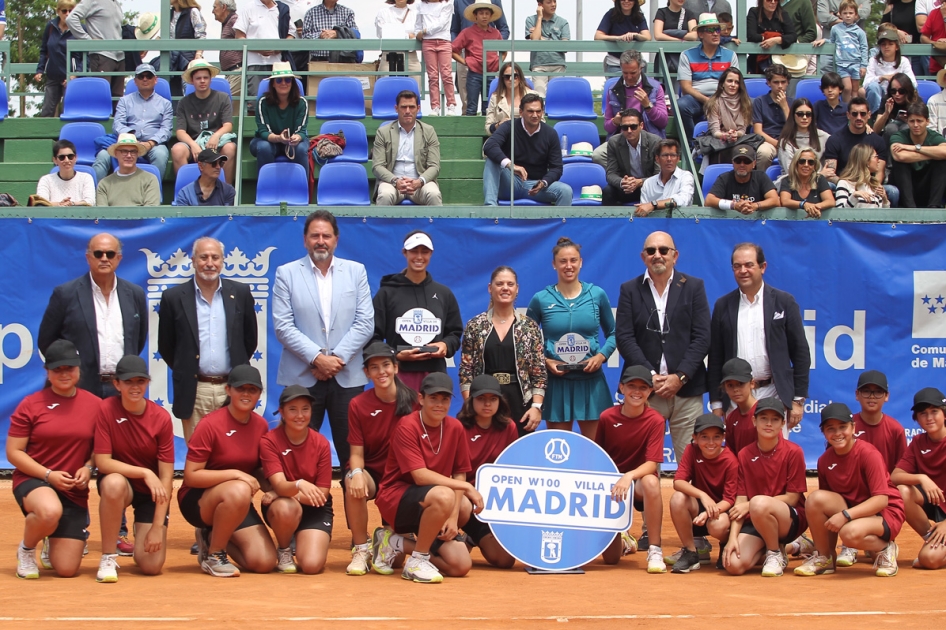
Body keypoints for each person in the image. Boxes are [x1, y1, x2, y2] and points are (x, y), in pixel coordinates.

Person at [273, 210, 375, 471]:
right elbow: (283, 327)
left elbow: (365, 324)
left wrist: (335, 361)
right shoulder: (286, 273)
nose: (321, 241)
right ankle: (304, 511)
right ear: (305, 240)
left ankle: (354, 511)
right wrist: (318, 358)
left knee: (353, 461)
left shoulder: (356, 271)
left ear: (336, 240)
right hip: (302, 377)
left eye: (326, 236)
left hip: (347, 377)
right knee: (297, 460)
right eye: (315, 235)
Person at [372, 373, 484, 583]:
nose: (439, 404)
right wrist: (465, 487)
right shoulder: (407, 425)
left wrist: (452, 517)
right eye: (433, 398)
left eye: (445, 399)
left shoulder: (455, 427)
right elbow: (420, 476)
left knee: (461, 565)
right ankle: (418, 560)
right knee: (445, 494)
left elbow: (460, 470)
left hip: (433, 503)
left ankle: (393, 543)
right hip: (396, 498)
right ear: (421, 399)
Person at [614, 230, 711, 464]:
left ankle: (690, 503)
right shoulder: (629, 289)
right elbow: (625, 338)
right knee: (644, 466)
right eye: (651, 251)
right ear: (643, 256)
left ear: (675, 255)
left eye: (663, 250)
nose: (657, 255)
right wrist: (650, 376)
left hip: (687, 391)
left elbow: (702, 337)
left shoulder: (694, 287)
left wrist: (680, 376)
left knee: (692, 465)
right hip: (646, 391)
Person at [8, 339, 98, 580]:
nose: (64, 373)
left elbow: (100, 449)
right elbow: (14, 452)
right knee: (49, 511)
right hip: (35, 480)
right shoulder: (30, 405)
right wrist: (48, 475)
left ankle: (51, 535)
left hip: (72, 489)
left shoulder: (96, 405)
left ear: (79, 368)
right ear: (47, 372)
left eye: (69, 368)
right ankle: (27, 549)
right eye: (57, 369)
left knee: (67, 570)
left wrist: (89, 467)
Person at [178, 365, 276, 577]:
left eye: (253, 389)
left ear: (259, 393)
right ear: (228, 390)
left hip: (235, 502)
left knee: (265, 562)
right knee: (239, 489)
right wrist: (237, 474)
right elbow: (191, 476)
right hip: (198, 499)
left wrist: (274, 489)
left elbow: (259, 468)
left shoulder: (260, 425)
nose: (247, 394)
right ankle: (214, 554)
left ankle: (211, 536)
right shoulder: (210, 424)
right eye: (241, 388)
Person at [157, 236, 257, 441]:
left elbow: (249, 340)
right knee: (197, 455)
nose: (209, 263)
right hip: (195, 390)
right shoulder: (173, 297)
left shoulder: (240, 293)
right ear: (193, 260)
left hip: (232, 388)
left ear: (222, 261)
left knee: (231, 451)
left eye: (215, 257)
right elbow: (167, 345)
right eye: (203, 257)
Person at [794, 403, 904, 577]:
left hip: (884, 512)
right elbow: (827, 506)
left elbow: (881, 499)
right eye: (831, 428)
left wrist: (845, 516)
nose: (837, 433)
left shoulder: (869, 453)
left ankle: (886, 547)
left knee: (849, 534)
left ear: (853, 428)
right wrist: (845, 515)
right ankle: (825, 558)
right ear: (823, 432)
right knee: (816, 499)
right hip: (853, 511)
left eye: (843, 427)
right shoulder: (824, 461)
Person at [707, 242, 811, 427]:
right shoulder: (723, 305)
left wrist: (798, 400)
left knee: (774, 454)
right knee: (738, 454)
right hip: (735, 397)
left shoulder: (784, 302)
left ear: (763, 267)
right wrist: (716, 403)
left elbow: (801, 353)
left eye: (749, 265)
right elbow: (716, 358)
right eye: (737, 266)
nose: (743, 271)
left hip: (774, 393)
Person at [93, 355, 174, 582]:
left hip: (152, 493)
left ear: (147, 383)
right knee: (113, 483)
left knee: (151, 566)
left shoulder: (161, 418)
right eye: (128, 382)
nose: (135, 387)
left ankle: (143, 530)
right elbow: (103, 461)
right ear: (117, 384)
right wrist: (144, 472)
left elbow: (167, 477)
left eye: (140, 381)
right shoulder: (106, 409)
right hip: (124, 484)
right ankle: (108, 556)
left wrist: (157, 526)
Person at [38, 233, 148, 400]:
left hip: (121, 388)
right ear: (88, 257)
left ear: (119, 258)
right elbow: (47, 342)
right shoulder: (65, 294)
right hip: (80, 387)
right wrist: (69, 370)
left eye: (110, 254)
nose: (104, 259)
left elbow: (137, 340)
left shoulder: (135, 294)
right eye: (98, 254)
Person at [526, 237, 616, 440]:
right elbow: (527, 340)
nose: (569, 266)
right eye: (563, 261)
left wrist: (601, 356)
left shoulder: (597, 295)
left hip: (591, 383)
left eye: (573, 260)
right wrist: (546, 361)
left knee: (595, 450)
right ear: (554, 264)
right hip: (557, 384)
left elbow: (614, 333)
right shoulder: (541, 299)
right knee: (561, 450)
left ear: (581, 262)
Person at [344, 342, 417, 576]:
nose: (381, 371)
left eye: (386, 365)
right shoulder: (358, 404)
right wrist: (356, 474)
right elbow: (356, 454)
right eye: (374, 367)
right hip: (373, 476)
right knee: (352, 481)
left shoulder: (415, 402)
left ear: (396, 368)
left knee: (395, 563)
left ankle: (385, 537)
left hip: (402, 479)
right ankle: (361, 549)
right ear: (366, 373)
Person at [821, 370, 907, 566]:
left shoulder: (895, 429)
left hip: (880, 498)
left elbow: (898, 470)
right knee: (823, 502)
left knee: (862, 542)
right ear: (856, 394)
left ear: (887, 396)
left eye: (878, 392)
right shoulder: (842, 427)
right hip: (853, 499)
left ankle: (880, 540)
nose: (871, 396)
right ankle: (833, 552)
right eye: (866, 391)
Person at [723, 397, 808, 577]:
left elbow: (793, 498)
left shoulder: (794, 452)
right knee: (734, 565)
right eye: (763, 418)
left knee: (759, 504)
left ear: (783, 423)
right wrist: (732, 539)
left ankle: (774, 553)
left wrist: (751, 505)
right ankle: (790, 548)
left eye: (775, 419)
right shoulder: (745, 454)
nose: (769, 423)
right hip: (757, 517)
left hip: (790, 519)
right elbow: (740, 502)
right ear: (754, 421)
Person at [459, 266, 547, 437]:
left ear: (517, 289)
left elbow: (539, 372)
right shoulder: (475, 326)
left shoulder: (529, 327)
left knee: (519, 457)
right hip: (484, 400)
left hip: (520, 401)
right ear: (490, 288)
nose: (505, 288)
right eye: (499, 284)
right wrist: (471, 404)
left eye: (510, 284)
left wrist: (536, 407)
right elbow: (466, 371)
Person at [595, 366, 667, 572]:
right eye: (632, 386)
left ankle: (655, 549)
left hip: (637, 483)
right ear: (621, 387)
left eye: (643, 387)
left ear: (650, 391)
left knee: (652, 482)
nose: (637, 392)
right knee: (611, 560)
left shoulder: (656, 420)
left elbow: (652, 464)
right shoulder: (607, 417)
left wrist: (629, 476)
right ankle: (625, 541)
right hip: (612, 486)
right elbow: (599, 456)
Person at [371, 230, 462, 392]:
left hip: (435, 375)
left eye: (424, 252)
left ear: (431, 254)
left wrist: (445, 344)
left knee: (432, 418)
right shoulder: (386, 293)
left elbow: (454, 333)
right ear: (404, 253)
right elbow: (372, 336)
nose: (419, 257)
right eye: (414, 251)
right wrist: (394, 355)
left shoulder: (444, 294)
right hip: (398, 375)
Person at [259, 385, 334, 574]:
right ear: (282, 412)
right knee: (286, 507)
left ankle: (301, 540)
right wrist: (299, 484)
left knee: (311, 566)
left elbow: (321, 495)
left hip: (315, 508)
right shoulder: (269, 441)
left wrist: (283, 492)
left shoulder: (322, 443)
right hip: (283, 507)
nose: (299, 415)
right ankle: (284, 549)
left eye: (305, 409)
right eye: (293, 409)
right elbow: (279, 484)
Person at [457, 375, 518, 568]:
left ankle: (471, 537)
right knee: (462, 506)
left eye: (493, 399)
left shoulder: (509, 427)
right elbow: (452, 474)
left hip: (494, 502)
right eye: (481, 399)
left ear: (500, 402)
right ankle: (447, 537)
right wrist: (468, 492)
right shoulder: (458, 428)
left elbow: (511, 470)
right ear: (471, 400)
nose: (487, 404)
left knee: (505, 560)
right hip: (463, 499)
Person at [667, 413, 738, 572]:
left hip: (721, 514)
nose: (711, 442)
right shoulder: (691, 450)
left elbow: (730, 499)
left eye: (716, 437)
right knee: (678, 498)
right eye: (704, 437)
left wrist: (710, 512)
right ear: (695, 437)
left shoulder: (730, 460)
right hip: (697, 513)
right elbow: (678, 481)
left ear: (723, 437)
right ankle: (691, 552)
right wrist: (702, 495)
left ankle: (724, 544)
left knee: (717, 525)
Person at [482, 93, 571, 206]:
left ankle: (558, 223)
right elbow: (489, 146)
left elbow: (557, 168)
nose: (535, 115)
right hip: (510, 183)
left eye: (538, 111)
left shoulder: (550, 133)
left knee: (566, 191)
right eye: (530, 111)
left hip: (535, 186)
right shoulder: (509, 126)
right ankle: (490, 210)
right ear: (521, 112)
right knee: (492, 159)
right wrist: (511, 165)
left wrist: (543, 182)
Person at [892, 387, 946, 570]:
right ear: (917, 418)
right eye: (923, 413)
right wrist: (922, 478)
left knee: (929, 560)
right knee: (902, 491)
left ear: (944, 414)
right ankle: (932, 539)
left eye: (934, 411)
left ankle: (936, 548)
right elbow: (895, 476)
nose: (929, 417)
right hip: (937, 503)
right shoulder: (918, 442)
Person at [92, 63, 174, 183]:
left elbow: (166, 129)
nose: (145, 79)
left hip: (153, 145)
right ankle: (94, 197)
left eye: (149, 76)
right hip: (126, 142)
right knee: (103, 156)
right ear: (135, 81)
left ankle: (153, 196)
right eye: (141, 77)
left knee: (161, 154)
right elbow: (118, 124)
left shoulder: (165, 104)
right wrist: (131, 139)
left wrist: (150, 143)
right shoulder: (124, 101)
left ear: (155, 80)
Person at [597, 50, 669, 168]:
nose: (629, 77)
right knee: (598, 155)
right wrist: (615, 121)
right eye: (625, 73)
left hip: (648, 138)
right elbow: (607, 126)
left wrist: (648, 105)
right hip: (623, 138)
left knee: (662, 158)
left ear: (641, 68)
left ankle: (641, 180)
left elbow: (663, 122)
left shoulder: (655, 87)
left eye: (633, 73)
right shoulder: (613, 89)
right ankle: (623, 176)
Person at [372, 90, 443, 206]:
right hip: (392, 182)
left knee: (434, 194)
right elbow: (377, 166)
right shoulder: (383, 132)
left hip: (420, 183)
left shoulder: (429, 131)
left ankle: (438, 225)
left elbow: (434, 166)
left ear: (418, 108)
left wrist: (419, 182)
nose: (408, 111)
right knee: (385, 195)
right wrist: (396, 181)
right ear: (396, 108)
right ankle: (382, 225)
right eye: (404, 107)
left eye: (412, 107)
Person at [677, 14, 740, 143]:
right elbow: (685, 87)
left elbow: (736, 82)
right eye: (710, 30)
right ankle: (692, 146)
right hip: (698, 100)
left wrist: (717, 101)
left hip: (724, 98)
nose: (716, 34)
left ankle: (739, 143)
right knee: (682, 105)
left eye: (717, 30)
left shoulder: (730, 55)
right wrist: (707, 100)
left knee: (749, 103)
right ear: (700, 34)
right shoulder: (687, 55)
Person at [173, 60, 237, 184]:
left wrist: (216, 136)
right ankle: (186, 194)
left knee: (230, 148)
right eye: (198, 78)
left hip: (216, 143)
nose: (202, 81)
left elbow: (228, 125)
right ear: (192, 81)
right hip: (193, 143)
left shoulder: (222, 98)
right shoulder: (183, 103)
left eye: (205, 78)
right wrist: (193, 145)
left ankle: (225, 193)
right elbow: (180, 132)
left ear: (210, 79)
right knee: (177, 150)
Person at [821, 97, 894, 204]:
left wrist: (869, 187)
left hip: (870, 184)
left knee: (893, 192)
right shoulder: (835, 139)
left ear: (869, 115)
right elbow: (830, 173)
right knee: (828, 186)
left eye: (863, 114)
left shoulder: (877, 141)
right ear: (848, 115)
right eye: (854, 114)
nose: (859, 117)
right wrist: (848, 185)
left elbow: (879, 172)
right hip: (843, 184)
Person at [699, 67, 774, 167]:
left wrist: (735, 134)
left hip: (739, 138)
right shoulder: (714, 103)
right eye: (730, 81)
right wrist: (726, 136)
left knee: (745, 152)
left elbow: (742, 130)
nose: (733, 85)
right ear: (722, 84)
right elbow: (715, 131)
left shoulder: (746, 103)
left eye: (737, 82)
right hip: (720, 139)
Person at [251, 63, 309, 177]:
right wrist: (278, 138)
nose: (283, 83)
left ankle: (302, 190)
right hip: (268, 140)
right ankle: (265, 189)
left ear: (292, 83)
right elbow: (263, 131)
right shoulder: (263, 102)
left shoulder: (302, 103)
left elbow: (301, 131)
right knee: (264, 147)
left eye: (287, 80)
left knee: (301, 149)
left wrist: (296, 138)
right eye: (278, 80)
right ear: (272, 84)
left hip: (293, 143)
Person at [451, 0, 509, 115]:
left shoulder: (496, 33)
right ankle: (469, 131)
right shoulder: (467, 32)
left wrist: (498, 62)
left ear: (491, 16)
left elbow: (504, 50)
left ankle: (487, 132)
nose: (484, 16)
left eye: (487, 13)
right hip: (474, 72)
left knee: (488, 107)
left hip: (491, 73)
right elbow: (453, 49)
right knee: (471, 105)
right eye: (481, 13)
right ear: (475, 15)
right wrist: (465, 62)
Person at [235, 0, 294, 104]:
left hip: (278, 64)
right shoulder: (248, 7)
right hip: (254, 64)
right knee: (255, 102)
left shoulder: (282, 8)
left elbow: (291, 34)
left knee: (279, 102)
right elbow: (239, 37)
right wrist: (258, 49)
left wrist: (280, 48)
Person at [889, 102, 946, 208]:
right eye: (912, 121)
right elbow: (900, 156)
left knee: (942, 162)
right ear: (907, 121)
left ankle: (934, 207)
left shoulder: (934, 137)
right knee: (900, 164)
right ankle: (910, 209)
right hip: (905, 186)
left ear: (927, 121)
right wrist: (933, 154)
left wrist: (915, 148)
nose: (915, 125)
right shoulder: (899, 136)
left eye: (919, 121)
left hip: (928, 186)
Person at [66, 0, 125, 101]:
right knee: (101, 98)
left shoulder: (116, 3)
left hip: (120, 57)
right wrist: (87, 40)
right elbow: (71, 19)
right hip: (102, 55)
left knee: (118, 100)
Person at [603, 108, 661, 205]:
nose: (629, 131)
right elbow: (610, 174)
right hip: (627, 188)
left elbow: (659, 174)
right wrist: (622, 182)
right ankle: (611, 220)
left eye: (633, 126)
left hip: (649, 186)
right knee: (608, 191)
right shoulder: (614, 142)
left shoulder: (655, 142)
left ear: (641, 125)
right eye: (625, 127)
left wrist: (640, 182)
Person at [812, 0, 867, 103]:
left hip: (856, 63)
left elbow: (864, 48)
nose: (848, 16)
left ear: (856, 15)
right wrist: (824, 40)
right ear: (840, 14)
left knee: (855, 90)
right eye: (845, 13)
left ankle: (853, 110)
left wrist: (863, 65)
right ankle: (846, 108)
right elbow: (833, 42)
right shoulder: (836, 29)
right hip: (842, 64)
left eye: (851, 13)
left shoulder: (860, 32)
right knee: (847, 88)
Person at [704, 146, 780, 214]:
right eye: (738, 161)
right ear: (733, 163)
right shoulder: (724, 178)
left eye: (747, 161)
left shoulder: (761, 176)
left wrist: (755, 206)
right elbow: (709, 200)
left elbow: (775, 200)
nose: (742, 165)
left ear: (754, 164)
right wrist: (733, 205)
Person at [35, 0, 78, 118]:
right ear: (58, 12)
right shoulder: (50, 27)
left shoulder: (78, 29)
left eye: (71, 10)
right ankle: (43, 137)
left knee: (68, 112)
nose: (67, 14)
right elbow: (44, 50)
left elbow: (84, 57)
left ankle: (66, 136)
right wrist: (40, 70)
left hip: (70, 78)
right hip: (53, 75)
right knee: (46, 112)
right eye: (64, 11)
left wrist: (74, 75)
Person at [416, 0, 458, 117]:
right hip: (427, 42)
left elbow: (442, 23)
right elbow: (417, 25)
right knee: (432, 76)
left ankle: (451, 105)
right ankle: (435, 107)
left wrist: (424, 31)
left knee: (446, 74)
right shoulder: (421, 5)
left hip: (444, 41)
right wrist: (418, 33)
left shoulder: (447, 4)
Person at [95, 134, 162, 207]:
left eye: (133, 151)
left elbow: (150, 212)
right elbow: (103, 215)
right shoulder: (104, 184)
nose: (129, 155)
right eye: (124, 151)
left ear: (137, 154)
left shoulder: (150, 179)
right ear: (116, 153)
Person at [863, 25, 915, 114]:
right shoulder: (874, 60)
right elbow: (866, 83)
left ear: (897, 47)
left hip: (897, 94)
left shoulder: (904, 61)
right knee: (873, 87)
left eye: (890, 44)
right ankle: (877, 115)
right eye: (883, 44)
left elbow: (913, 83)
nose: (886, 47)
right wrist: (882, 77)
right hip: (880, 95)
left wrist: (899, 80)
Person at [637, 139, 696, 215]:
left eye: (673, 155)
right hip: (654, 225)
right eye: (665, 155)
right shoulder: (648, 183)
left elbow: (683, 200)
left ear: (678, 158)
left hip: (680, 224)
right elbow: (644, 210)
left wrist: (654, 204)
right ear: (657, 159)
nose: (669, 159)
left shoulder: (686, 177)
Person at [751, 64, 791, 172]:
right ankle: (761, 184)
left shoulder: (793, 102)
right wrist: (778, 144)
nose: (780, 86)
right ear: (769, 83)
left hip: (789, 142)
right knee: (764, 153)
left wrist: (784, 106)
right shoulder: (760, 101)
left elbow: (794, 129)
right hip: (768, 142)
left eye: (783, 82)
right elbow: (758, 131)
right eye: (776, 82)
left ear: (787, 83)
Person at [525, 0, 570, 96]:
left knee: (556, 98)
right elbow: (535, 41)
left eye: (554, 1)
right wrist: (539, 18)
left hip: (557, 64)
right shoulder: (530, 20)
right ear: (540, 5)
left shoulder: (563, 22)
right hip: (539, 64)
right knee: (539, 97)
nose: (553, 4)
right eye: (549, 2)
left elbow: (565, 47)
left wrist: (542, 38)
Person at [377, 0, 421, 94]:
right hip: (389, 56)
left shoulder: (416, 14)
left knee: (415, 89)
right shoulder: (384, 13)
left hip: (411, 56)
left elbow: (419, 35)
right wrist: (407, 36)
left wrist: (396, 32)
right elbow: (383, 33)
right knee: (385, 89)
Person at [594, 0, 651, 72]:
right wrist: (618, 38)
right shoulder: (611, 14)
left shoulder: (639, 16)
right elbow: (598, 36)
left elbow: (648, 37)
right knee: (617, 82)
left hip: (635, 63)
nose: (626, 1)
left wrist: (635, 35)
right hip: (615, 62)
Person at [778, 149, 835, 217]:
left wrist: (814, 207)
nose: (806, 165)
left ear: (814, 166)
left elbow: (830, 201)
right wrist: (803, 204)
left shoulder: (819, 179)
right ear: (796, 164)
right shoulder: (787, 180)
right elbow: (785, 201)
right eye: (802, 161)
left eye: (811, 162)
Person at [719, 357, 759, 455]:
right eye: (730, 385)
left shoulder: (764, 413)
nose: (735, 389)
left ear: (752, 383)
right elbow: (730, 453)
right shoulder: (731, 418)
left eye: (740, 384)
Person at [37, 140, 95, 206]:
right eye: (62, 157)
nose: (67, 160)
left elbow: (90, 202)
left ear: (76, 158)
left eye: (70, 156)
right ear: (55, 160)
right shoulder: (46, 180)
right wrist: (59, 204)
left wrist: (72, 204)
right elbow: (41, 203)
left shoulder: (86, 178)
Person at [484, 62, 537, 135]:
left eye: (515, 76)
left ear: (520, 77)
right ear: (502, 79)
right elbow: (488, 129)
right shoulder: (495, 98)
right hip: (503, 138)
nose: (511, 79)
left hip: (527, 137)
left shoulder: (532, 95)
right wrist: (499, 125)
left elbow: (541, 123)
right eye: (507, 77)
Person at [169, 0, 208, 97]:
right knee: (174, 95)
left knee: (190, 93)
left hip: (188, 61)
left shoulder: (193, 11)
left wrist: (198, 55)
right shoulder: (169, 14)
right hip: (173, 62)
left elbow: (201, 35)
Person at [778, 97, 831, 168]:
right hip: (793, 178)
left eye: (808, 114)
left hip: (821, 178)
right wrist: (820, 175)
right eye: (800, 114)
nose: (804, 117)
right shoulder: (785, 141)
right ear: (793, 115)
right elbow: (790, 171)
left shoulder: (824, 137)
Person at [747, 0, 797, 74]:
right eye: (769, 0)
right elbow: (751, 35)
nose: (773, 2)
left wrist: (777, 40)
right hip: (756, 60)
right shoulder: (754, 12)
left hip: (779, 60)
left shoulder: (783, 13)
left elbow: (793, 36)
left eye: (776, 0)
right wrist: (770, 37)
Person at [172, 149, 237, 206]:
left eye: (220, 163)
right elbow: (184, 219)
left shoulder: (228, 191)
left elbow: (228, 218)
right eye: (213, 163)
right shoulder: (185, 194)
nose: (218, 167)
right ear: (201, 166)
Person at [652, 0, 697, 80]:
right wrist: (679, 39)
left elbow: (694, 35)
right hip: (665, 57)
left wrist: (667, 33)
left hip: (684, 57)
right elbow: (658, 35)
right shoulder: (661, 12)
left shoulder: (689, 14)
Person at [872, 72, 920, 142]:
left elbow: (921, 125)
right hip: (889, 135)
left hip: (910, 135)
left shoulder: (915, 100)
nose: (897, 94)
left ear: (907, 91)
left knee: (906, 128)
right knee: (891, 128)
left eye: (901, 91)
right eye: (893, 91)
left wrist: (909, 120)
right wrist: (886, 113)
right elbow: (876, 130)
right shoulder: (887, 100)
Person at [886, 0, 924, 79]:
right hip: (897, 52)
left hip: (916, 52)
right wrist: (896, 31)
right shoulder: (892, 5)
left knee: (915, 80)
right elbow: (883, 27)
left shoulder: (919, 4)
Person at [212, 0, 243, 97]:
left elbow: (244, 40)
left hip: (236, 71)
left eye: (215, 7)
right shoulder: (229, 22)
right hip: (231, 73)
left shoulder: (234, 20)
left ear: (224, 7)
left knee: (223, 100)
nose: (213, 11)